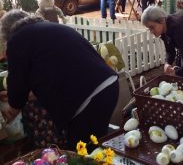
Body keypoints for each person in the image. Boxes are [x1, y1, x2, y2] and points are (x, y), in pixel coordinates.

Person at [0, 10, 119, 149]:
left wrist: (12, 108)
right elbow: (51, 76)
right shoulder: (48, 29)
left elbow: (17, 86)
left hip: (87, 99)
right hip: (108, 85)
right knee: (95, 146)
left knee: (81, 155)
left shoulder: (18, 40)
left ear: (8, 33)